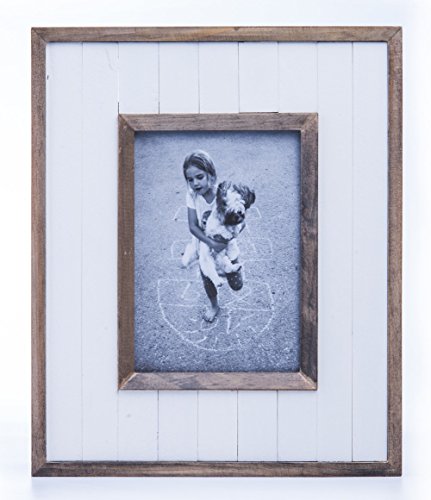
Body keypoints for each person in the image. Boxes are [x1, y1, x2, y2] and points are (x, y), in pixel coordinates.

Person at [181, 150, 243, 322]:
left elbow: (241, 222)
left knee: (237, 285)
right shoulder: (192, 195)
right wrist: (210, 243)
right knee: (207, 279)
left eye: (199, 177)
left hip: (226, 247)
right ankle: (214, 305)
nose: (195, 183)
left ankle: (228, 271)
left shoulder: (223, 195)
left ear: (211, 175)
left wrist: (226, 239)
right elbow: (193, 226)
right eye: (190, 179)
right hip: (205, 247)